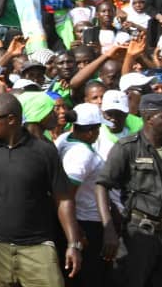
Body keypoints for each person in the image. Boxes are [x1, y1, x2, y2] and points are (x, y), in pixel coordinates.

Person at [0, 93, 82, 287]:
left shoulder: (44, 151)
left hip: (37, 247)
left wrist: (73, 244)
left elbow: (64, 199)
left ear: (11, 119)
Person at [95, 93, 162, 287]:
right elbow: (102, 185)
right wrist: (108, 227)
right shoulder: (126, 148)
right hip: (141, 233)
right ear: (149, 118)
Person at [56, 103, 105, 287]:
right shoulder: (82, 154)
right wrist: (76, 231)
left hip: (72, 223)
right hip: (84, 223)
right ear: (91, 132)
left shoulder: (64, 138)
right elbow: (67, 194)